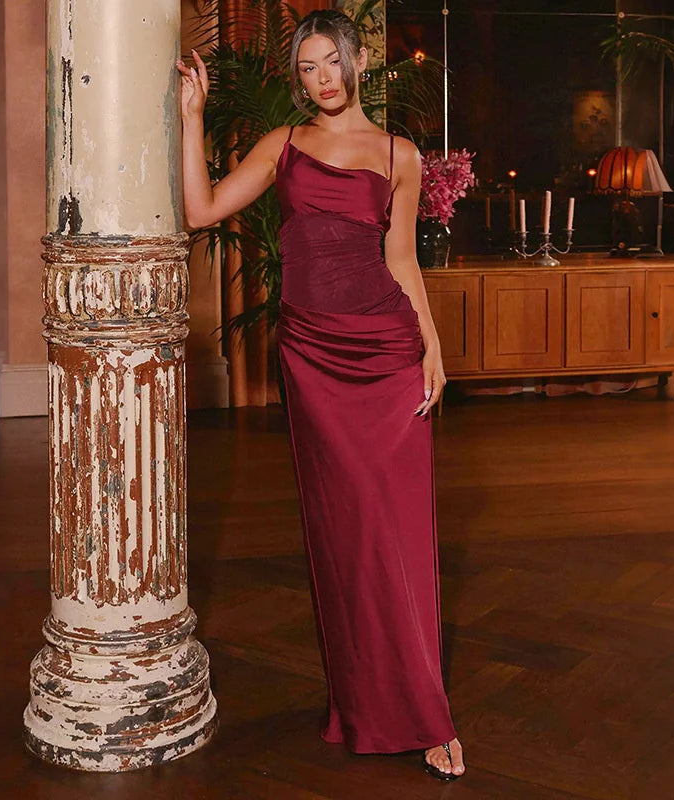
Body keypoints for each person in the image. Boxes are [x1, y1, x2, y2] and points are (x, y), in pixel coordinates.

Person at [176, 8, 465, 781]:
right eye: (306, 68)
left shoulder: (400, 153)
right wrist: (193, 120)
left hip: (388, 351)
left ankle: (427, 713)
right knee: (341, 536)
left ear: (357, 60)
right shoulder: (286, 146)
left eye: (329, 61)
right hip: (311, 357)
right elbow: (200, 211)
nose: (320, 78)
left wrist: (431, 347)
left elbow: (400, 258)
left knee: (398, 530)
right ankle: (363, 705)